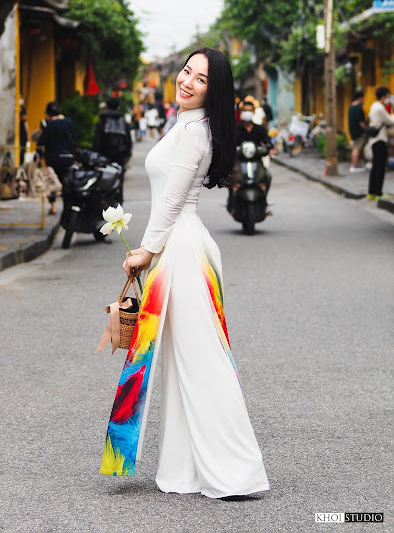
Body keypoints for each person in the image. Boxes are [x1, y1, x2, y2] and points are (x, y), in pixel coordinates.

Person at [100, 47, 269, 499]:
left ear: (215, 91)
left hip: (182, 249)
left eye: (201, 78)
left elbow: (173, 200)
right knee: (180, 363)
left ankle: (236, 471)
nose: (187, 80)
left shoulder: (195, 131)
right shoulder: (188, 124)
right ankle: (187, 469)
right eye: (186, 71)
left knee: (202, 360)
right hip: (178, 246)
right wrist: (152, 249)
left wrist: (146, 250)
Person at [37, 101, 76, 214]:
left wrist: (39, 155)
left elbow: (41, 142)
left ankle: (53, 206)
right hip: (68, 157)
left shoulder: (49, 125)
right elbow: (73, 139)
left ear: (48, 113)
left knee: (52, 183)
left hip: (53, 158)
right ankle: (67, 207)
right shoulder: (69, 122)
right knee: (66, 184)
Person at [367, 86, 394, 200]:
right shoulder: (379, 108)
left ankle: (371, 192)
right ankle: (378, 192)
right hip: (380, 140)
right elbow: (390, 120)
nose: (388, 98)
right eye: (388, 96)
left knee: (375, 167)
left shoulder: (373, 106)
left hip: (374, 140)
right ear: (383, 96)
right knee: (380, 168)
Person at [93, 97, 132, 166]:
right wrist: (127, 154)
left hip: (104, 155)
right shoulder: (123, 122)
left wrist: (96, 155)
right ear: (118, 107)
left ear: (106, 107)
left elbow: (97, 139)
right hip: (120, 155)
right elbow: (128, 139)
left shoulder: (102, 121)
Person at [348, 90, 366, 172]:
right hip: (358, 131)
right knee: (357, 148)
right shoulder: (358, 108)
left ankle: (355, 164)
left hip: (352, 130)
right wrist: (366, 129)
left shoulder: (351, 107)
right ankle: (355, 165)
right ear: (360, 98)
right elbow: (361, 122)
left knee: (355, 147)